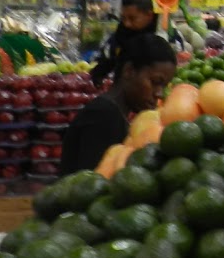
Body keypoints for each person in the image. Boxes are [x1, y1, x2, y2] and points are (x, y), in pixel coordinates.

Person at [63, 34, 177, 176]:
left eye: (164, 86)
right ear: (128, 71)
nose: (159, 93)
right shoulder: (104, 116)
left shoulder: (115, 112)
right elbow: (91, 184)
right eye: (155, 82)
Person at [90, 0, 160, 85]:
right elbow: (112, 57)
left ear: (149, 15)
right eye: (123, 18)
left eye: (132, 18)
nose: (127, 23)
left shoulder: (160, 35)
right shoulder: (122, 32)